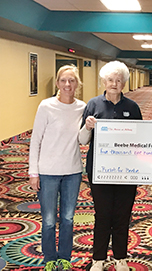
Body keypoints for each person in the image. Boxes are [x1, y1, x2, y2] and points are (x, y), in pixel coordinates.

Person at [79, 61, 142, 271]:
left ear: (123, 83)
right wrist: (87, 127)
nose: (114, 84)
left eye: (118, 80)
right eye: (110, 80)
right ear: (103, 82)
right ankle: (98, 259)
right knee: (103, 215)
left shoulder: (132, 107)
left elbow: (142, 139)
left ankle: (120, 258)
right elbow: (82, 140)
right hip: (100, 171)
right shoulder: (93, 105)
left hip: (127, 172)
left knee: (123, 215)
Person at [28, 65, 86, 271]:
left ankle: (65, 257)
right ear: (57, 83)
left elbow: (83, 138)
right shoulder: (46, 106)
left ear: (77, 83)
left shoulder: (82, 107)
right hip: (47, 172)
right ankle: (50, 258)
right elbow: (35, 140)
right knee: (49, 220)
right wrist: (33, 172)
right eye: (63, 80)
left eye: (71, 81)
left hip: (73, 171)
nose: (67, 85)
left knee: (68, 219)